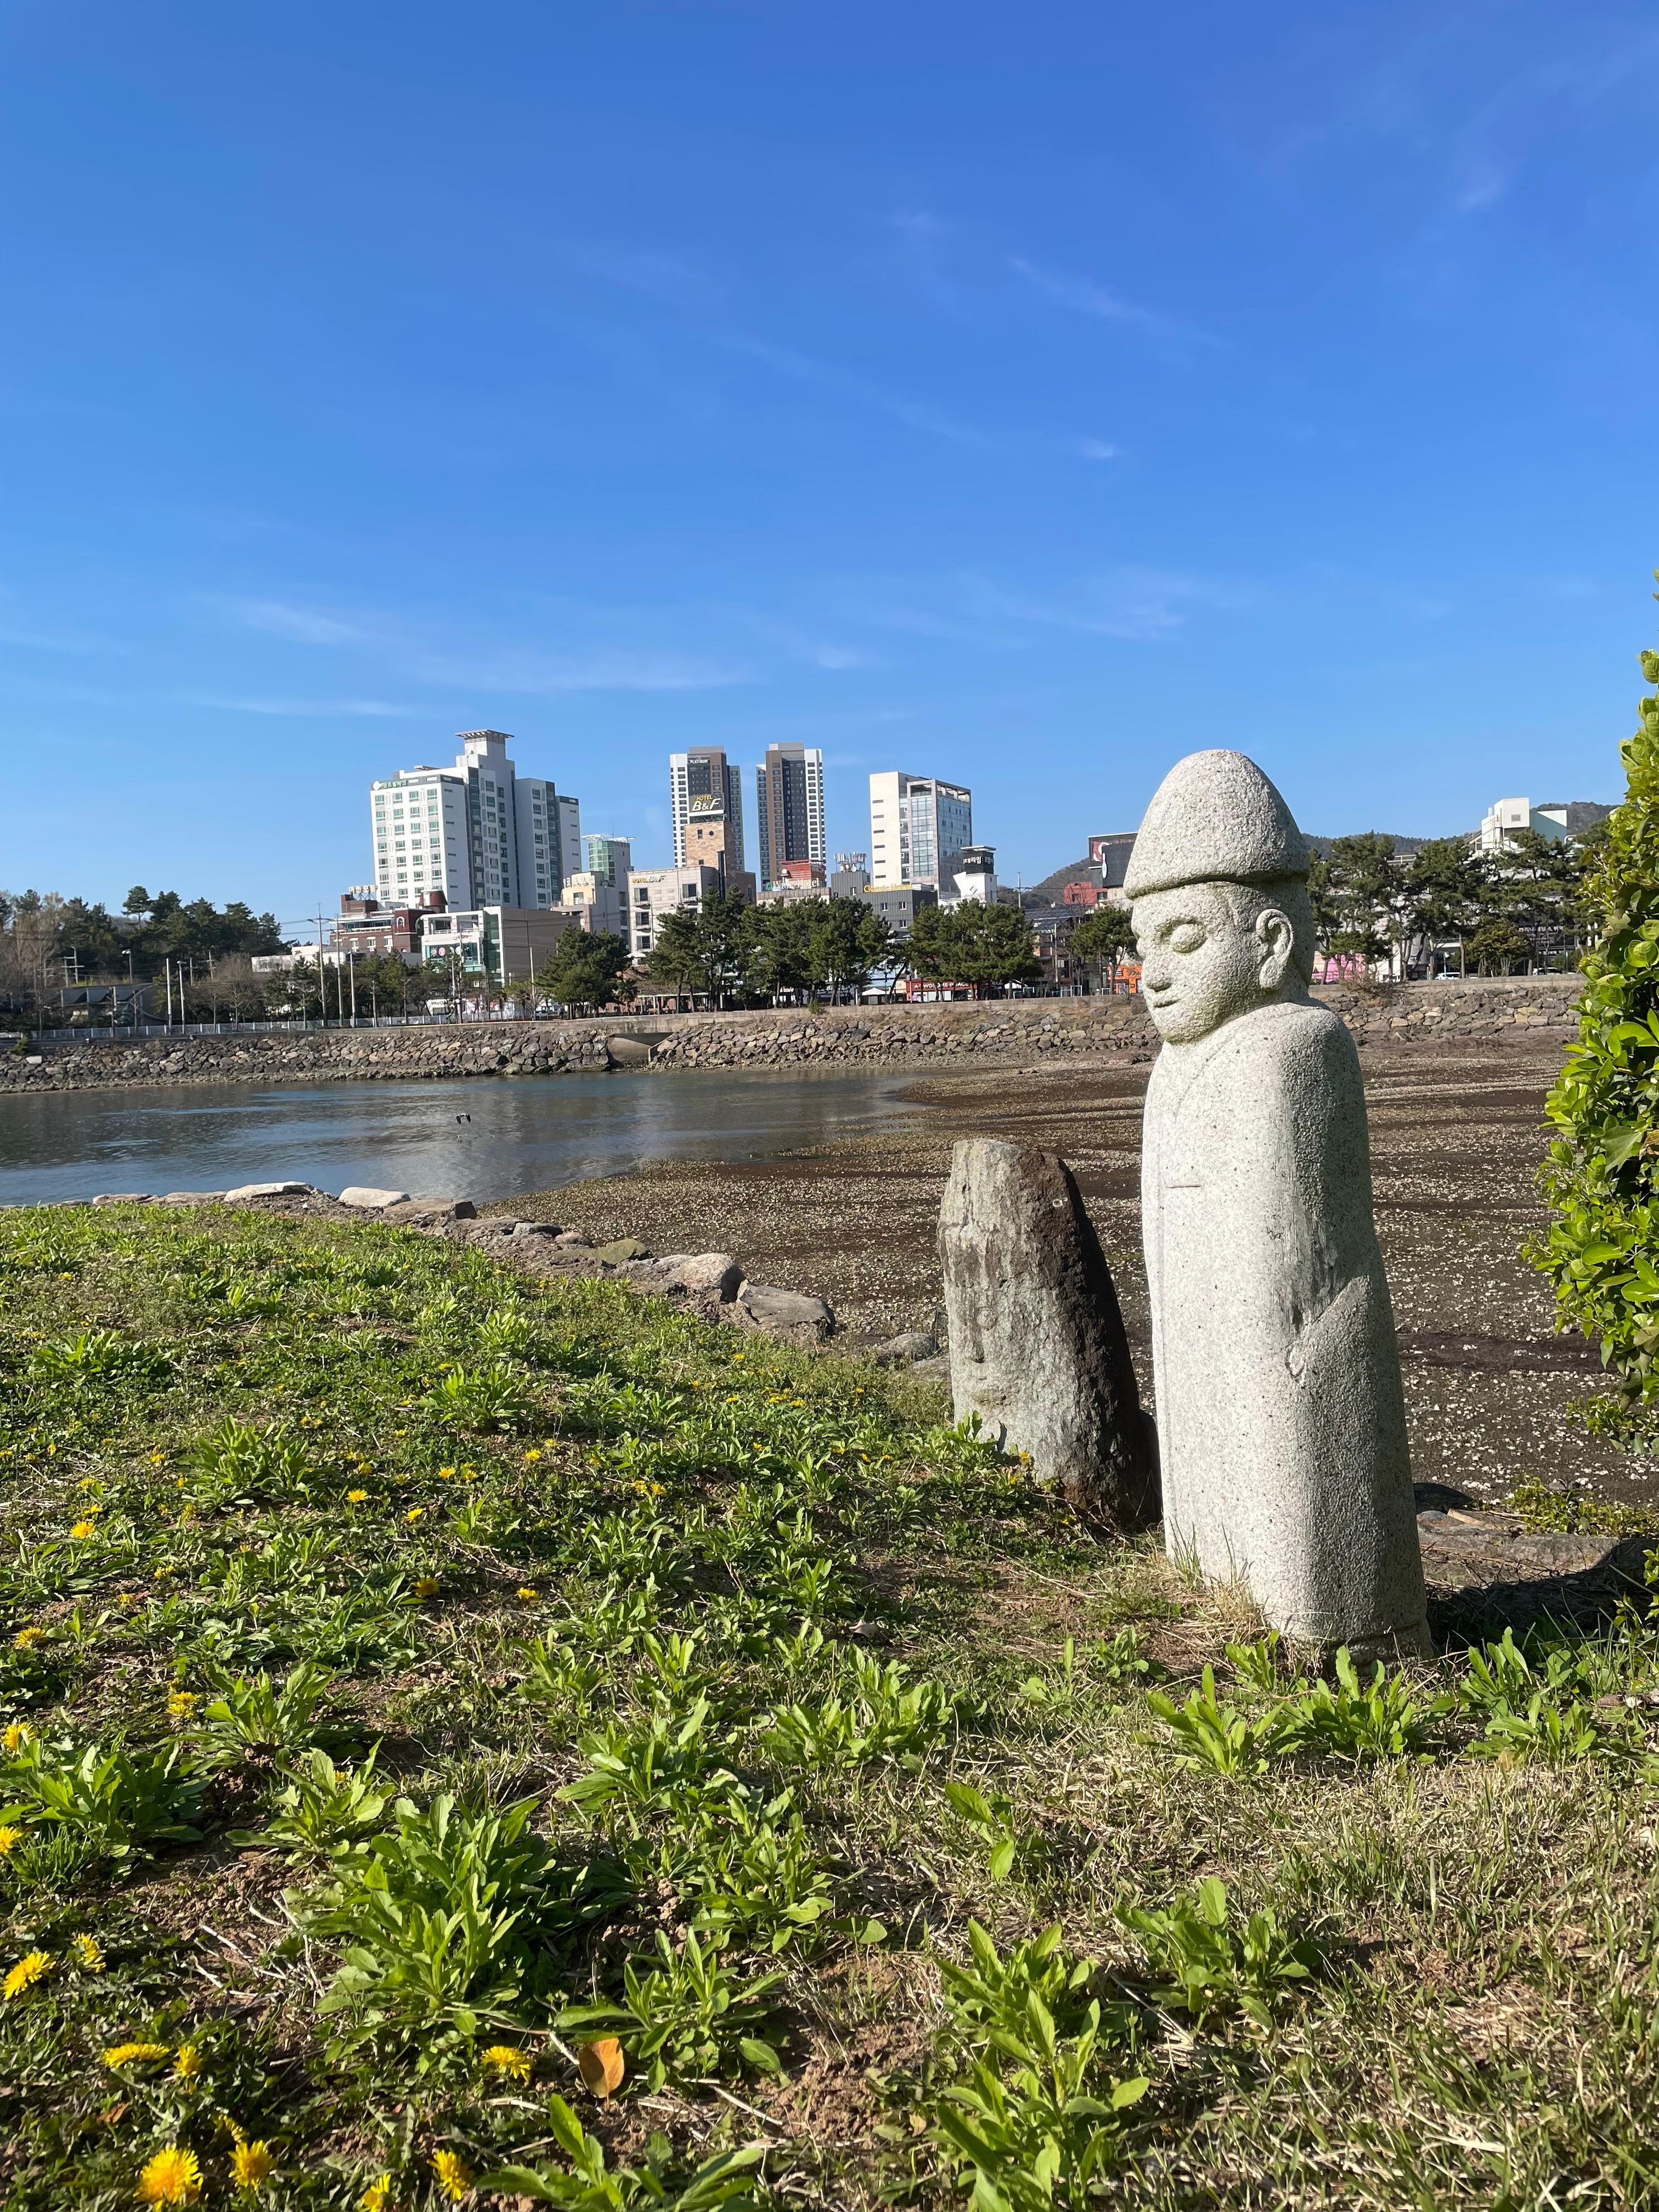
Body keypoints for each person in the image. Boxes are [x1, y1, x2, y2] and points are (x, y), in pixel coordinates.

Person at [1128, 749, 1429, 1655]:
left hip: (1285, 1343)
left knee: (1288, 1483)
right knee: (1209, 1470)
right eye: (1143, 947)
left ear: (1271, 942)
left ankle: (1342, 1634)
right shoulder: (1173, 1068)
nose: (1154, 974)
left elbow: (1288, 1251)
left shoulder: (1295, 1046)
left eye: (1185, 939)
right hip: (1199, 1335)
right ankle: (1215, 1581)